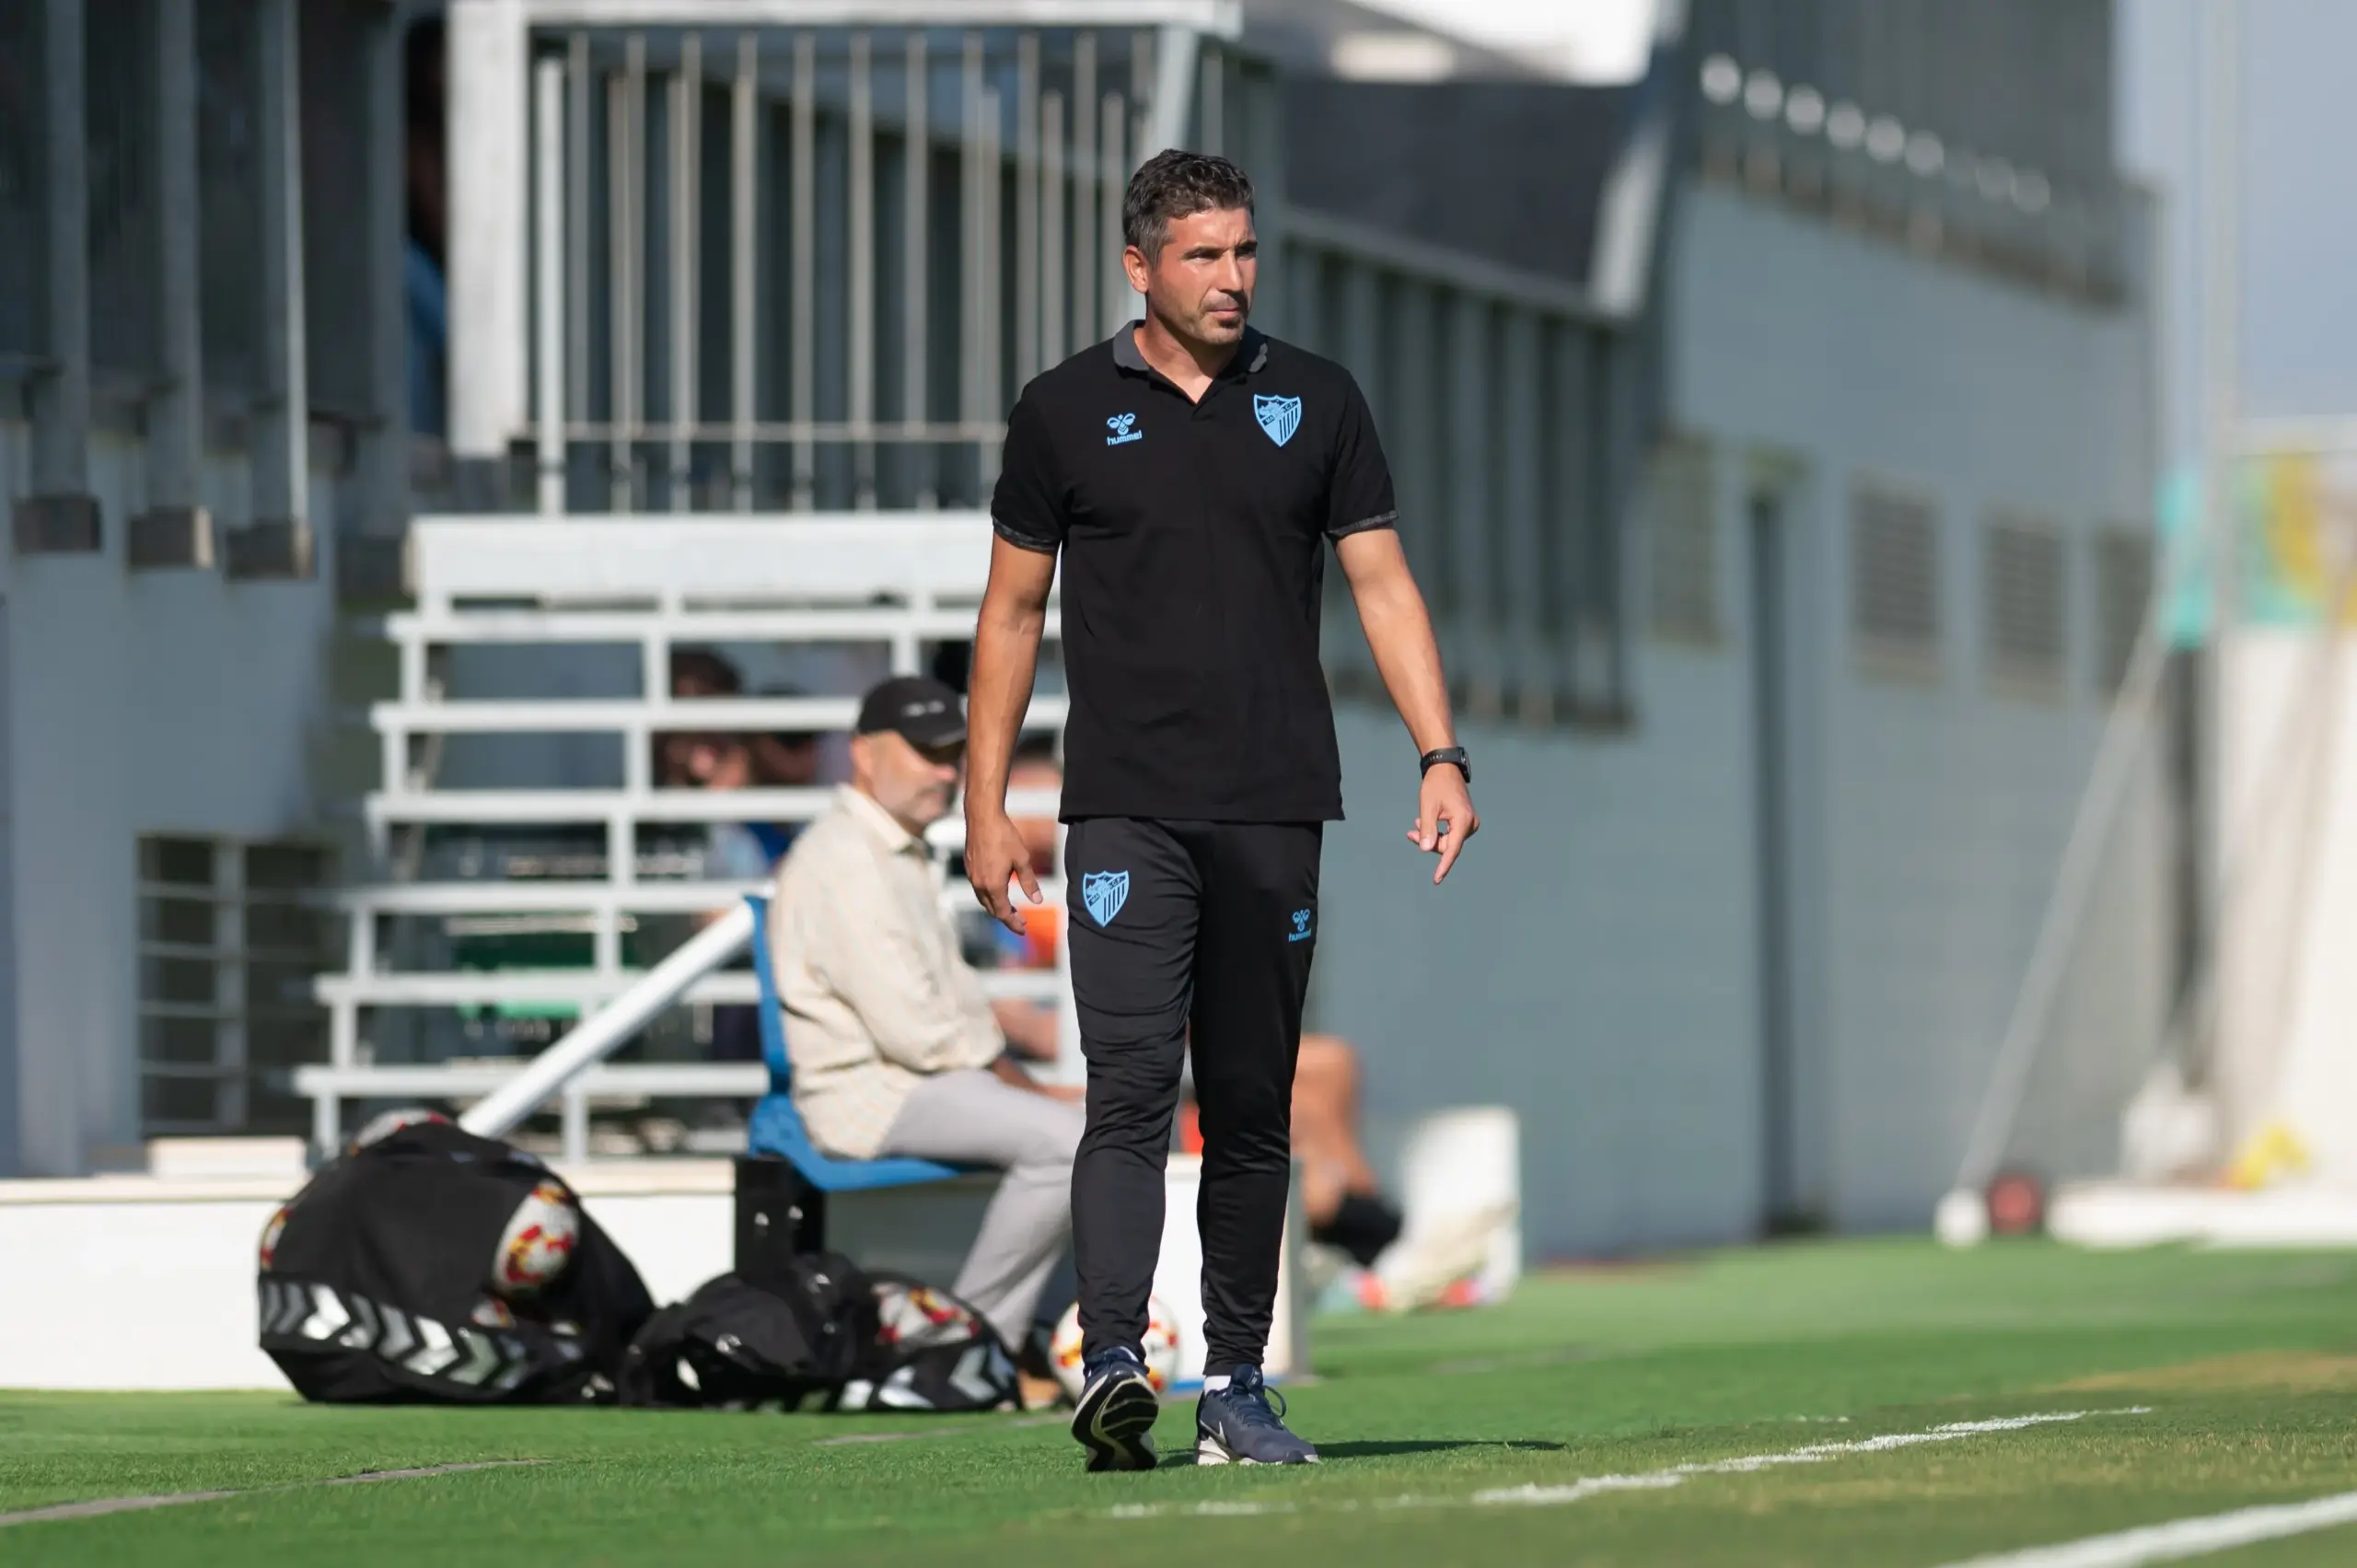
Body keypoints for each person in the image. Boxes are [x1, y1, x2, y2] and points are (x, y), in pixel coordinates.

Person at [964, 149, 1479, 1471]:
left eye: (1244, 252)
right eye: (1203, 255)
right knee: (1129, 1089)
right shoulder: (1064, 410)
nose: (1232, 278)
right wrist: (985, 798)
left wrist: (1441, 751)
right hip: (1124, 809)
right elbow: (1012, 611)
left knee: (1252, 1102)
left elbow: (1383, 584)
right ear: (1139, 264)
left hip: (1274, 806)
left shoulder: (1316, 400)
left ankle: (1239, 1386)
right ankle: (1116, 1356)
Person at [770, 676, 1084, 1388]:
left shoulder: (888, 847)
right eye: (926, 752)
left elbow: (944, 1022)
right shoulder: (846, 858)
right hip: (874, 1094)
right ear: (862, 754)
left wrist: (1025, 1087)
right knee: (1069, 1142)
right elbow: (919, 1035)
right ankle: (966, 1344)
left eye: (954, 753)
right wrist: (1024, 1088)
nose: (946, 771)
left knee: (1095, 1126)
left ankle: (1046, 1335)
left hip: (916, 1081)